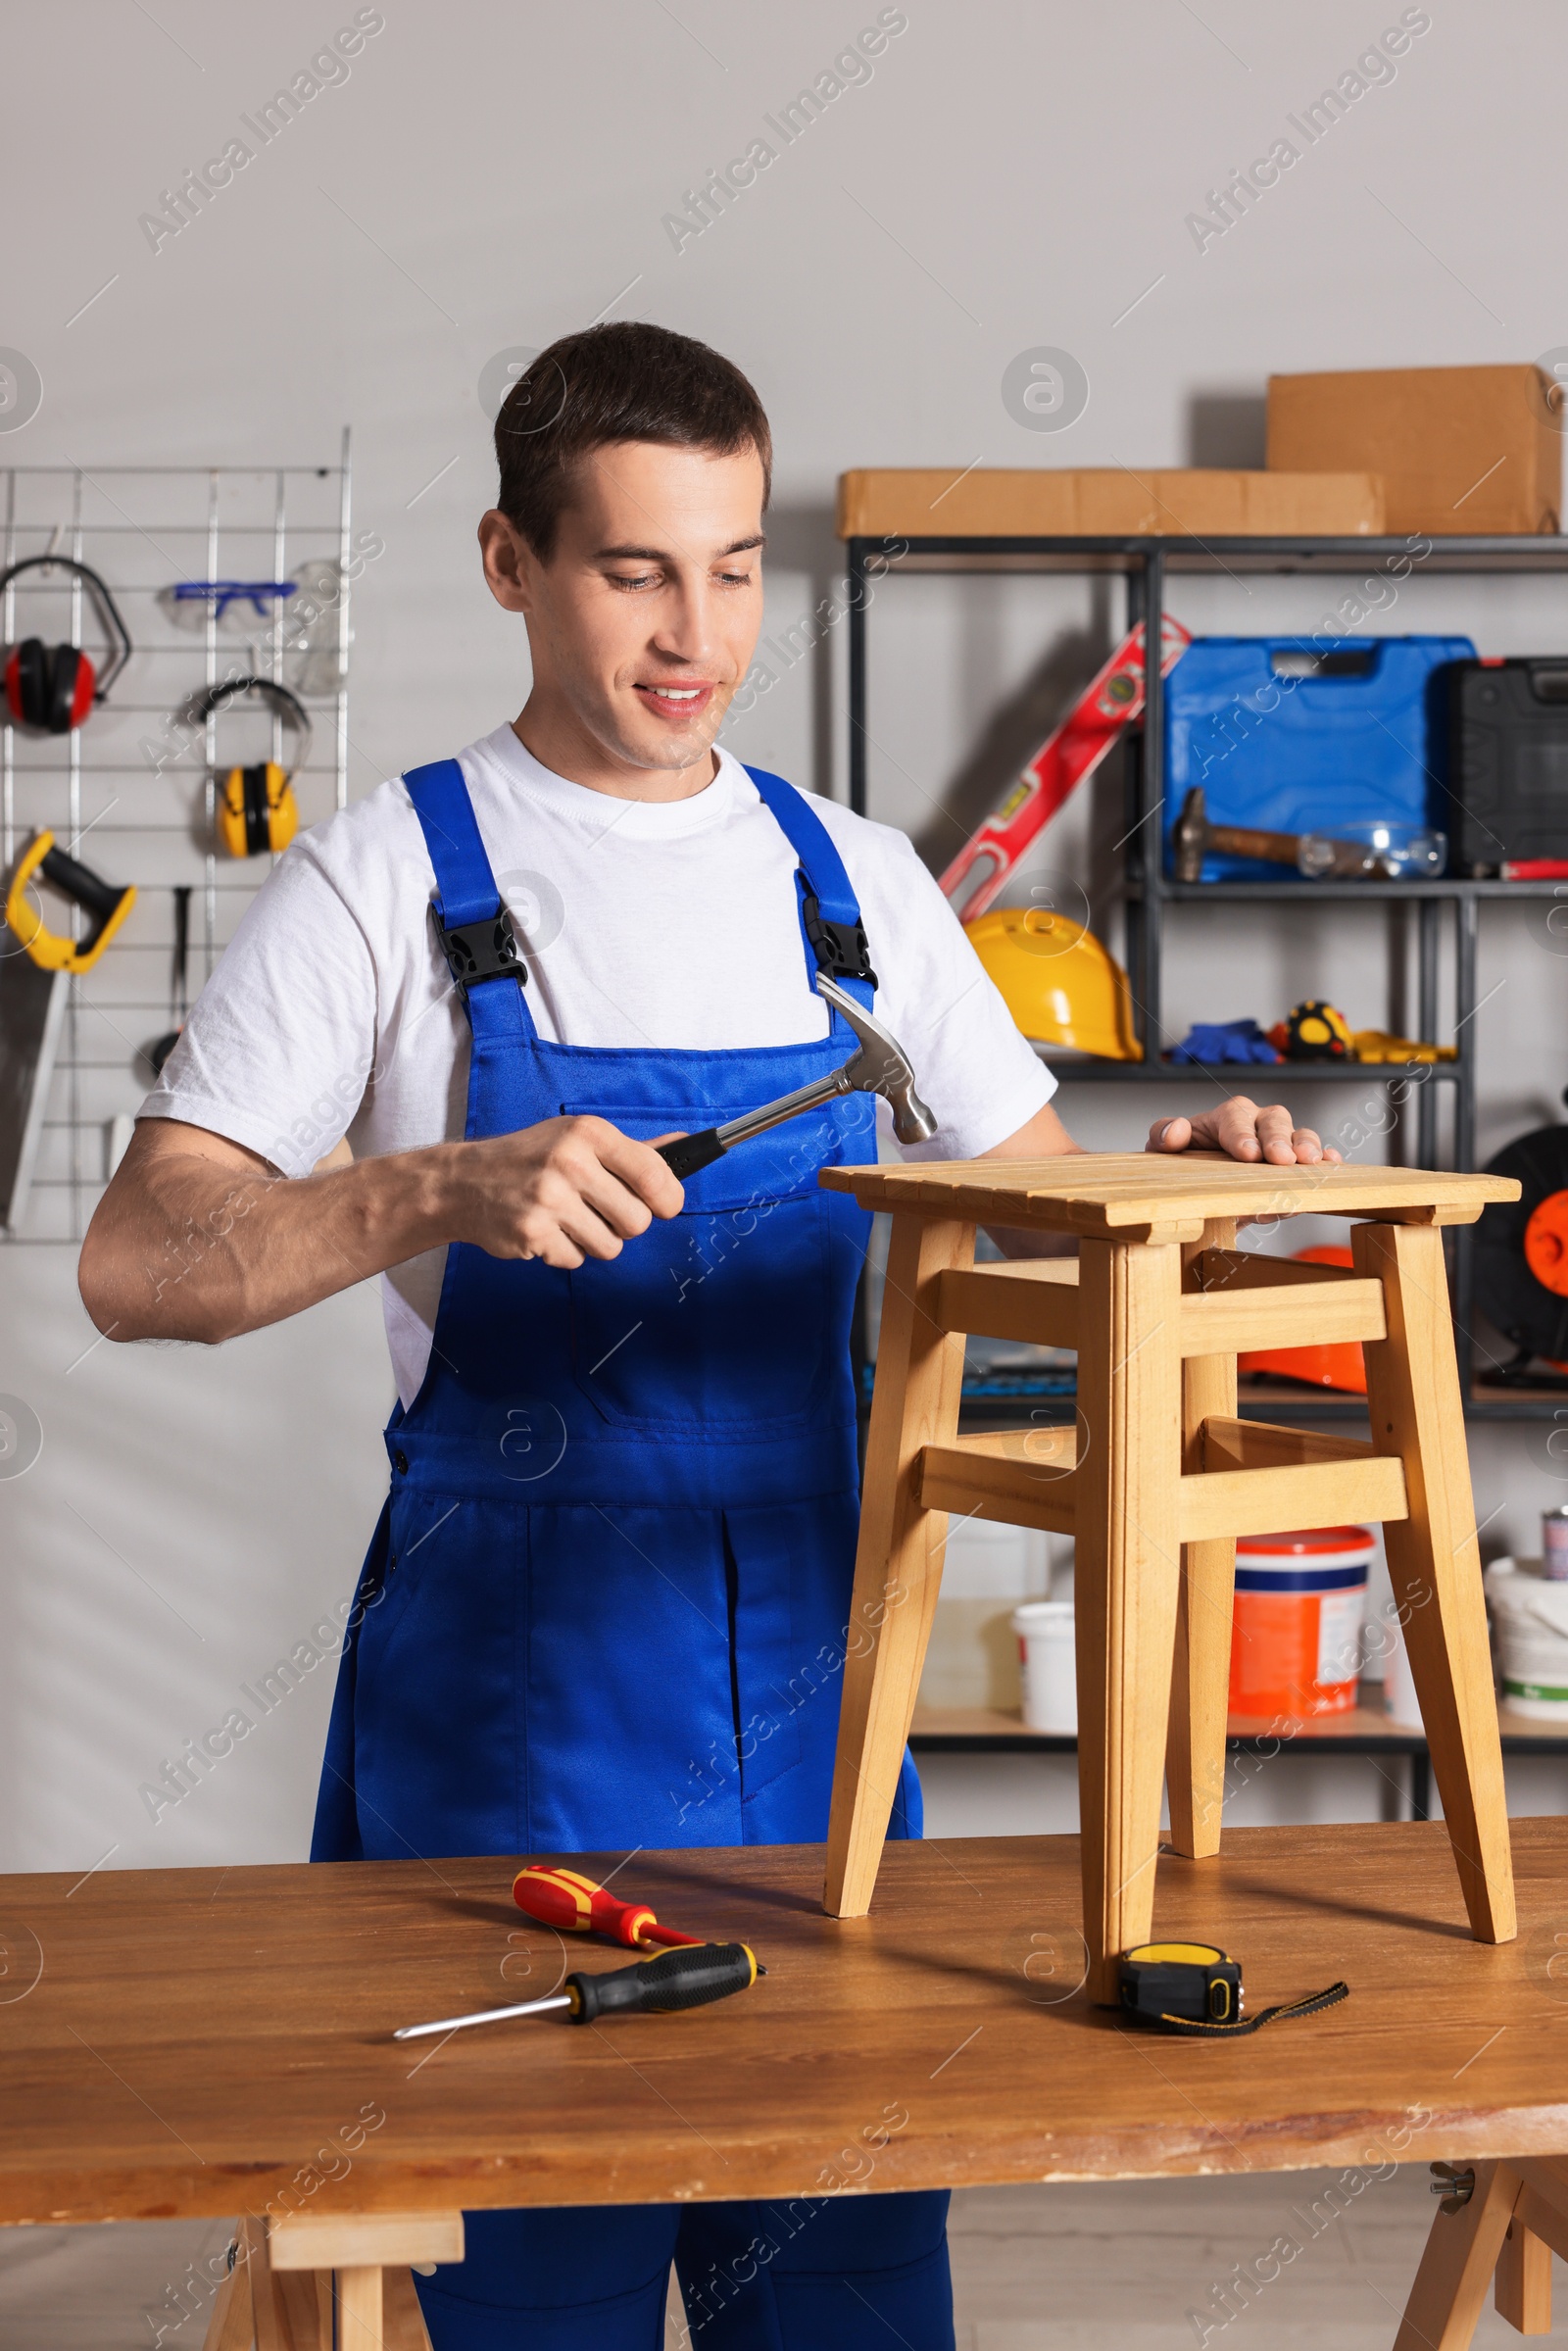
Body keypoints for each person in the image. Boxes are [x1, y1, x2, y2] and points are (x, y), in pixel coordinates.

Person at [78, 321, 1338, 2351]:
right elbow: (140, 1261)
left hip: (821, 1729)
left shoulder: (847, 883)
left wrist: (1180, 1166)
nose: (698, 635)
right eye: (634, 570)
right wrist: (433, 1186)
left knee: (839, 2285)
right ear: (510, 562)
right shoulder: (388, 876)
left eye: (735, 565)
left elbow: (1024, 1185)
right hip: (511, 1725)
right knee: (528, 2297)